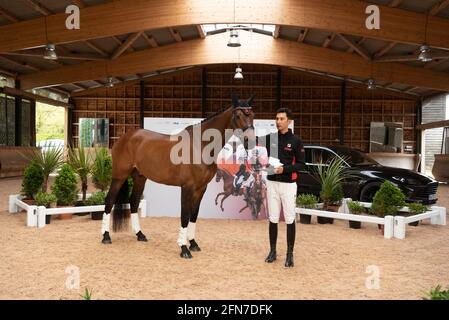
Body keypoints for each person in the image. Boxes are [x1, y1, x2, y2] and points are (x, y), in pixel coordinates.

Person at [258, 107, 305, 267]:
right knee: (273, 219)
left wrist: (284, 169)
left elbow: (301, 164)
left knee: (290, 219)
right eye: (276, 118)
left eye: (281, 119)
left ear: (289, 121)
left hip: (289, 185)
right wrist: (241, 131)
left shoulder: (297, 141)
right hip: (272, 183)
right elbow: (252, 141)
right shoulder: (270, 138)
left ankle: (290, 254)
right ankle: (272, 251)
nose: (278, 121)